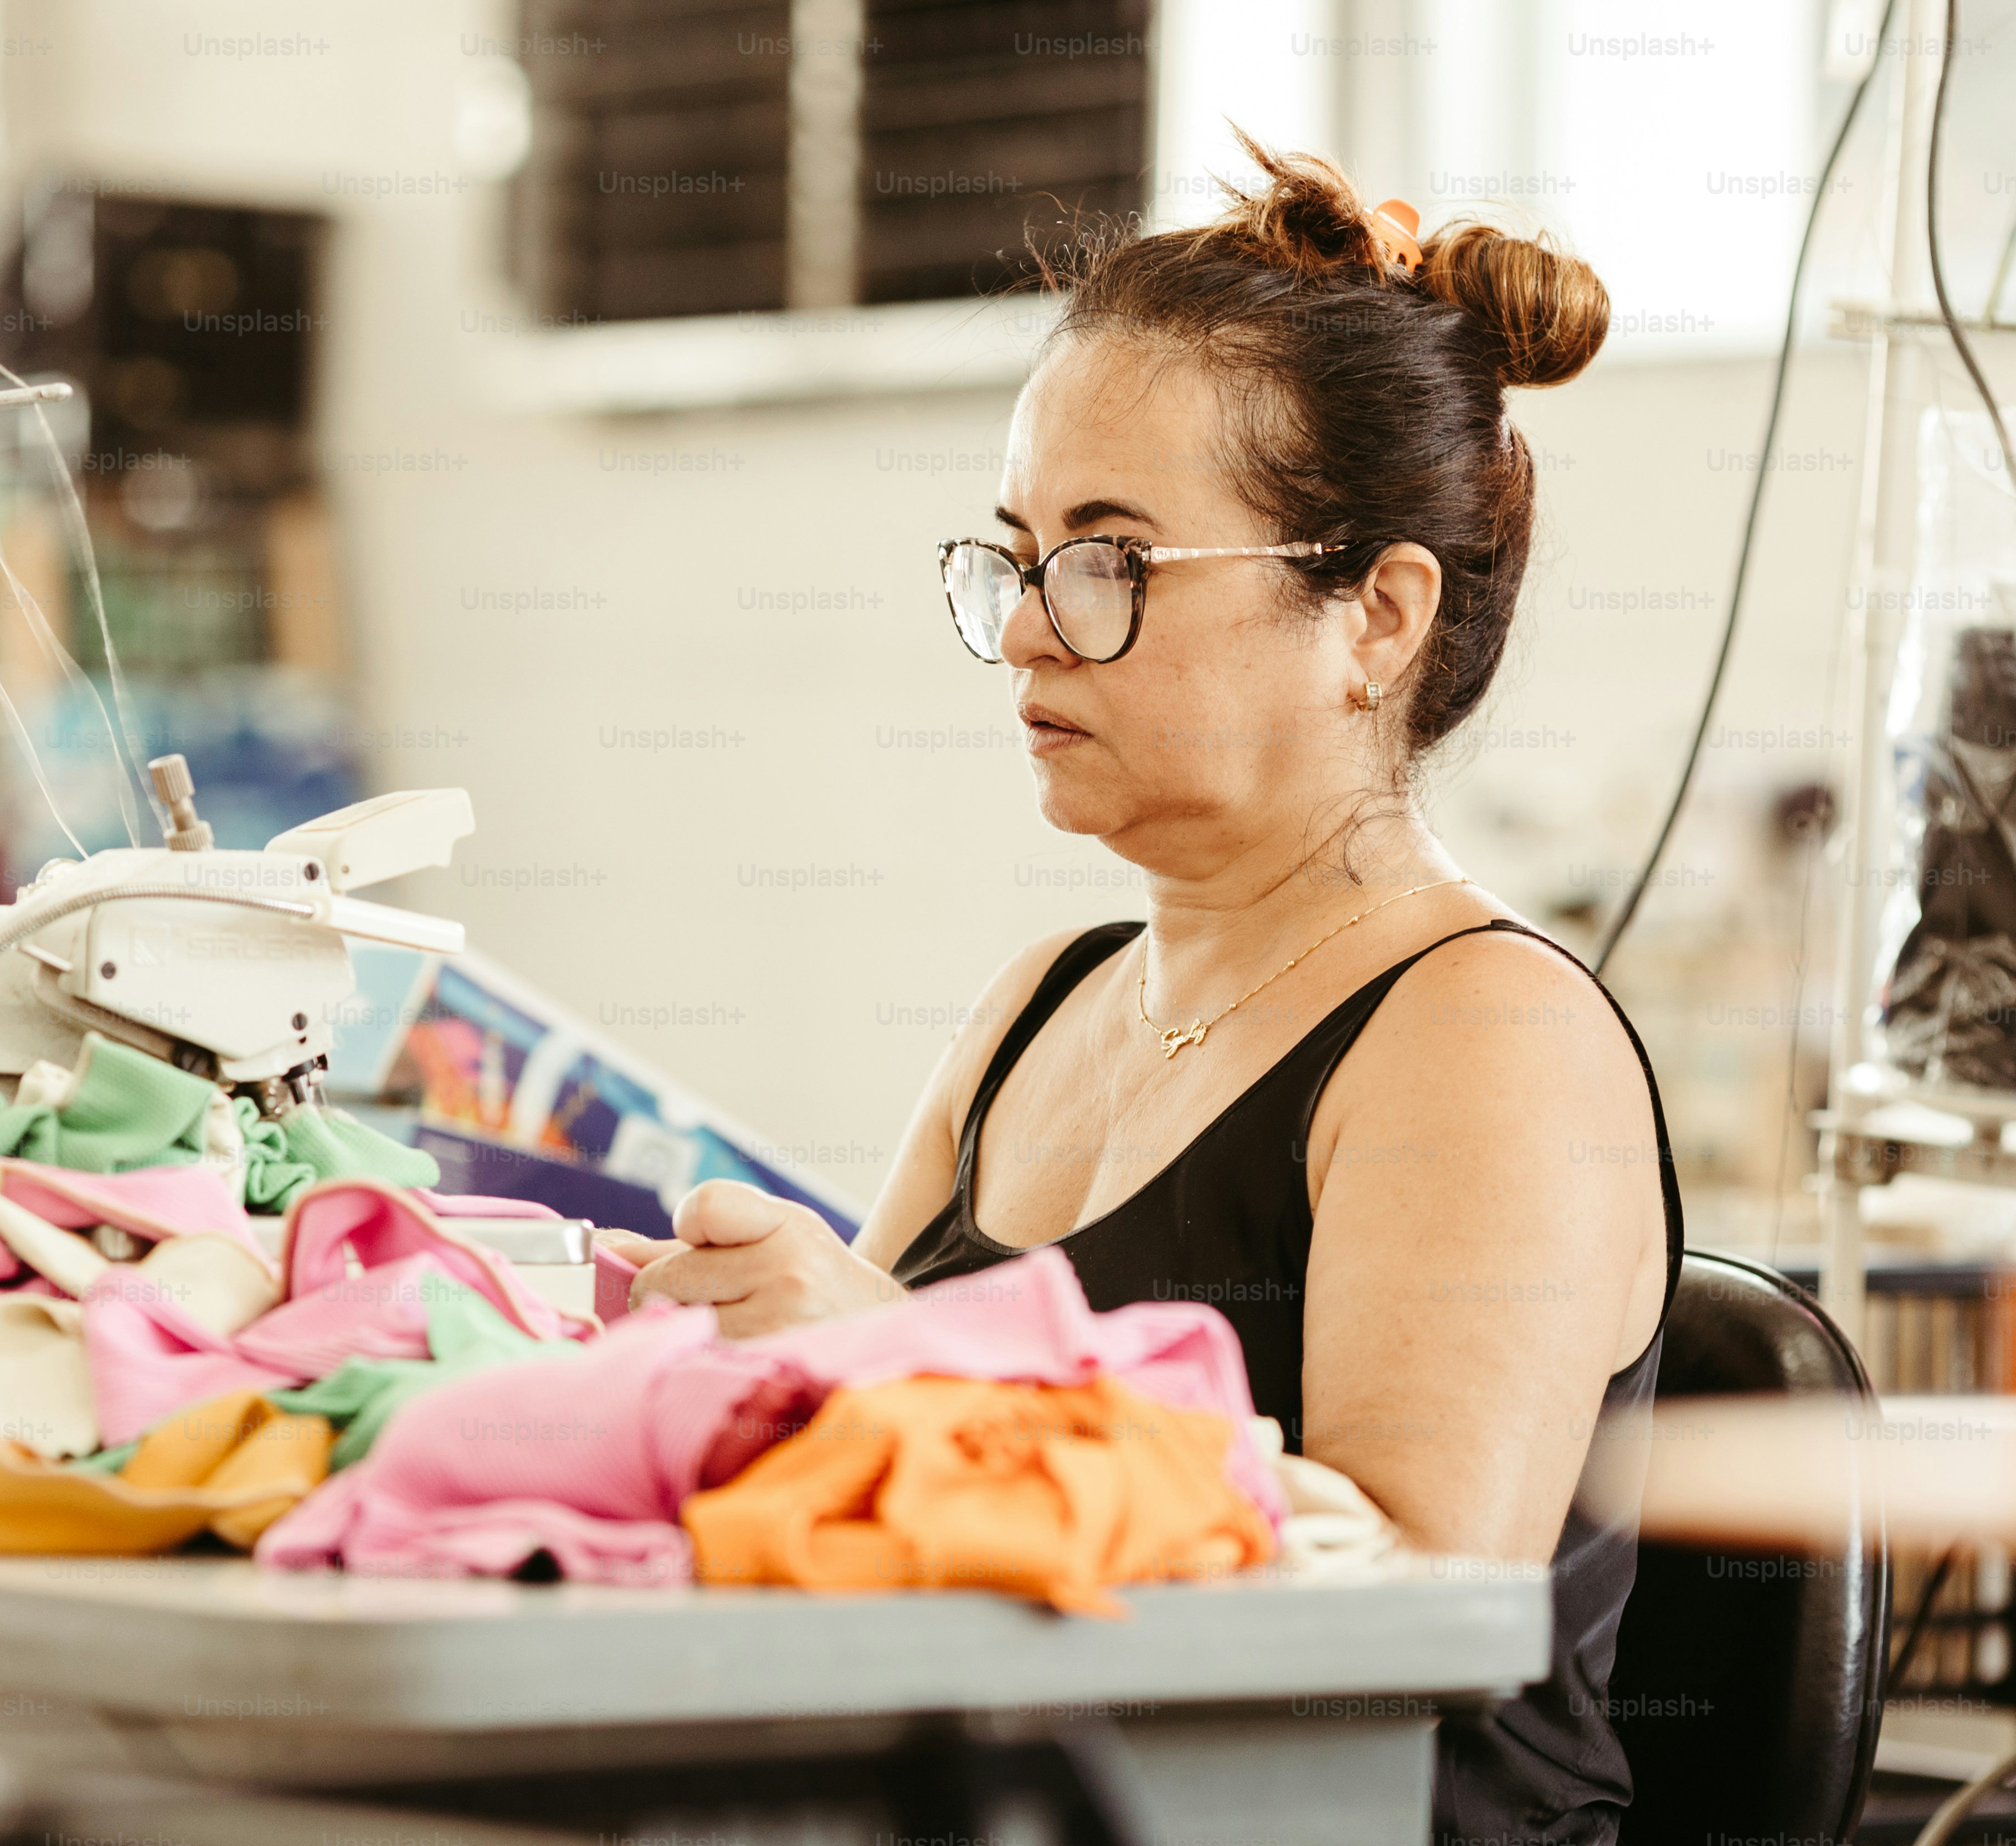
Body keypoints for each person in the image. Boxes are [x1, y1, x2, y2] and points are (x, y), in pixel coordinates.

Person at [605, 142, 1674, 1846]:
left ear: (1375, 618)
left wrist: (892, 1355)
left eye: (1110, 564)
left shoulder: (1488, 1040)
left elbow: (1415, 1602)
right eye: (1015, 558)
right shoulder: (1046, 1002)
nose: (1030, 632)